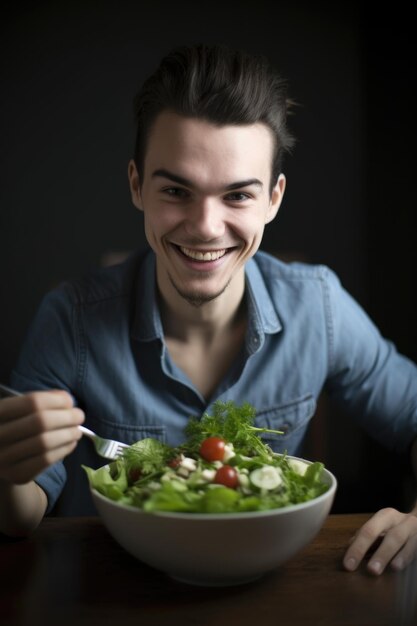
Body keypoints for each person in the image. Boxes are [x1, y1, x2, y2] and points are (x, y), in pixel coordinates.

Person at [0, 43, 416, 576]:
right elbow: (23, 512)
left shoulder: (320, 306)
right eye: (176, 190)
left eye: (238, 196)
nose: (205, 226)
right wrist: (8, 473)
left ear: (273, 198)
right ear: (136, 186)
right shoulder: (70, 318)